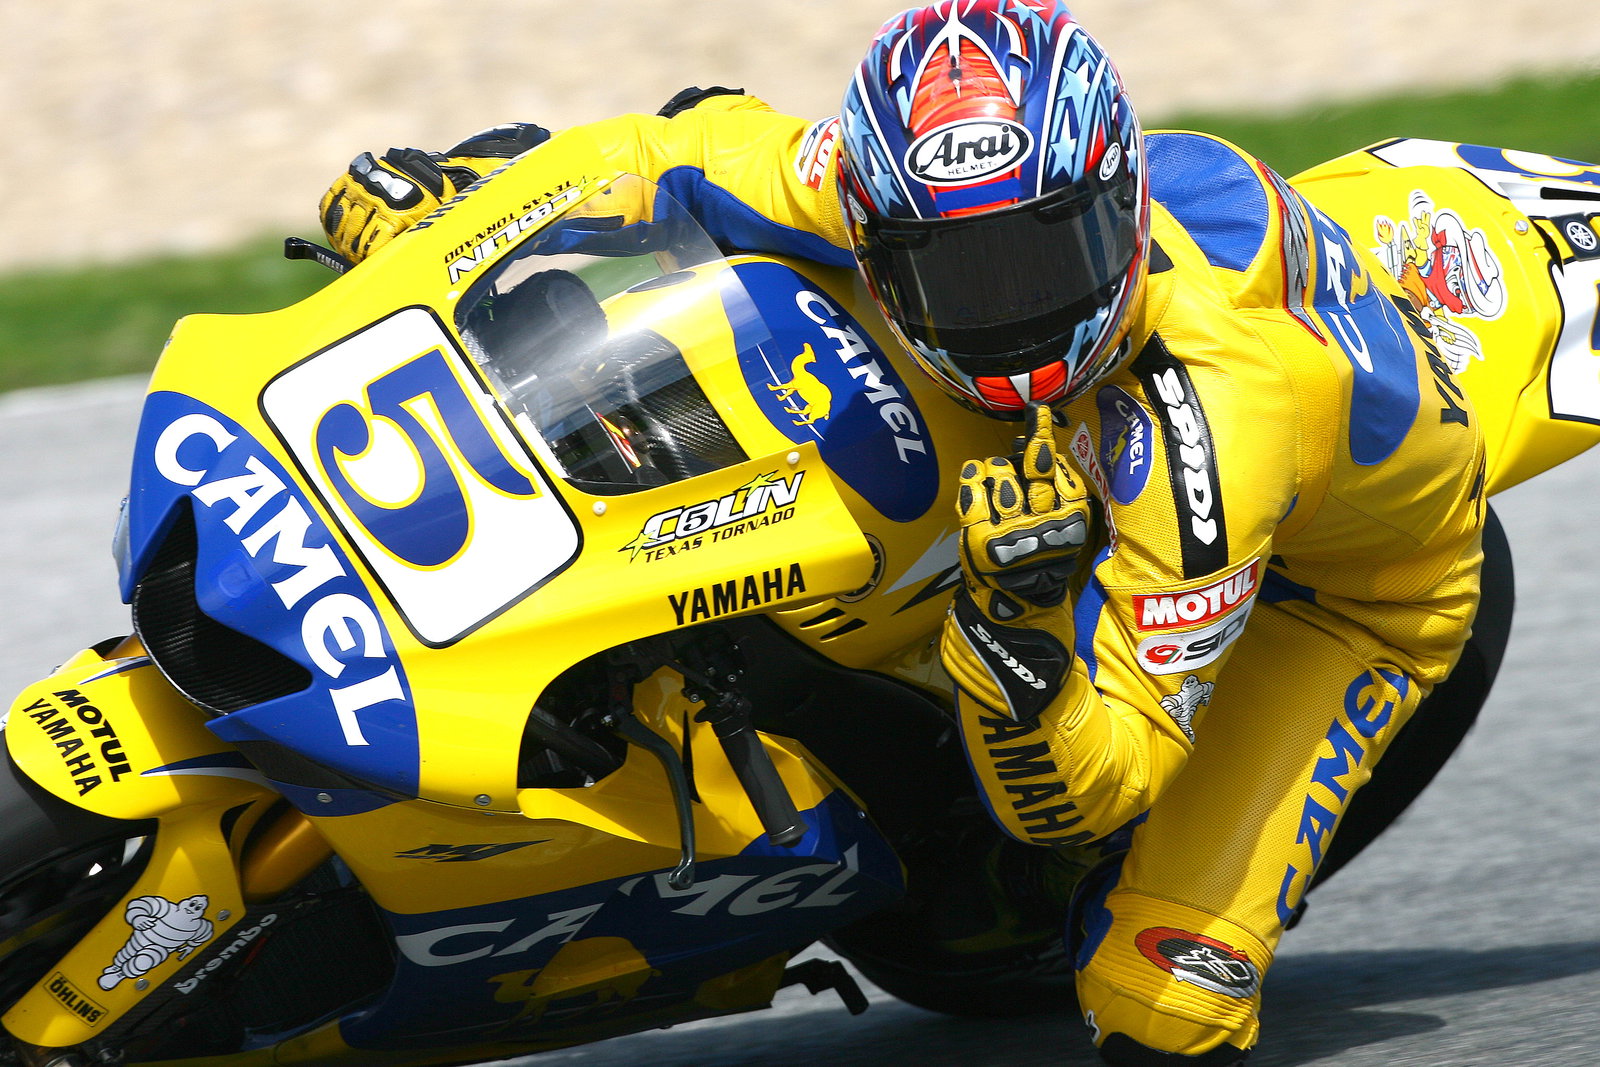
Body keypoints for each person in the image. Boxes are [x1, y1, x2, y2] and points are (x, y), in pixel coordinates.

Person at [316, 3, 1507, 1063]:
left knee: (1165, 1009)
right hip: (1070, 426)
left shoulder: (1214, 429)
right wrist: (458, 212)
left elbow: (1100, 787)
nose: (1011, 311)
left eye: (1047, 259)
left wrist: (1020, 626)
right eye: (958, 273)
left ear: (1117, 207)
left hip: (1338, 588)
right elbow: (660, 152)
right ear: (876, 215)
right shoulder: (857, 177)